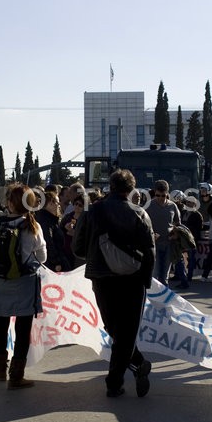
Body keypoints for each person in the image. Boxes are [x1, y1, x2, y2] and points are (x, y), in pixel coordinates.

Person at [73, 169, 155, 398]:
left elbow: (77, 247)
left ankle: (128, 372)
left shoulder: (92, 211)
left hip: (101, 277)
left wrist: (98, 254)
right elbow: (149, 252)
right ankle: (126, 373)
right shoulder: (139, 213)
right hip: (133, 279)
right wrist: (146, 281)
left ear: (110, 186)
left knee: (115, 329)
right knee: (127, 333)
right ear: (131, 189)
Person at [0, 183, 47, 389]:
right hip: (25, 283)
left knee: (0, 325)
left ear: (10, 203)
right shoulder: (33, 226)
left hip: (0, 282)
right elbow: (43, 257)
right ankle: (17, 376)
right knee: (23, 328)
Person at [146, 179, 181, 284]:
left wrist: (175, 234)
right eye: (158, 195)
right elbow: (142, 225)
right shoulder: (148, 206)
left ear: (167, 194)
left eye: (163, 196)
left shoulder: (172, 206)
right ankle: (154, 294)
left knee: (165, 276)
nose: (161, 198)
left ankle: (164, 293)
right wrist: (151, 234)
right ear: (154, 193)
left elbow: (178, 223)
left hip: (168, 244)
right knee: (155, 275)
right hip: (153, 244)